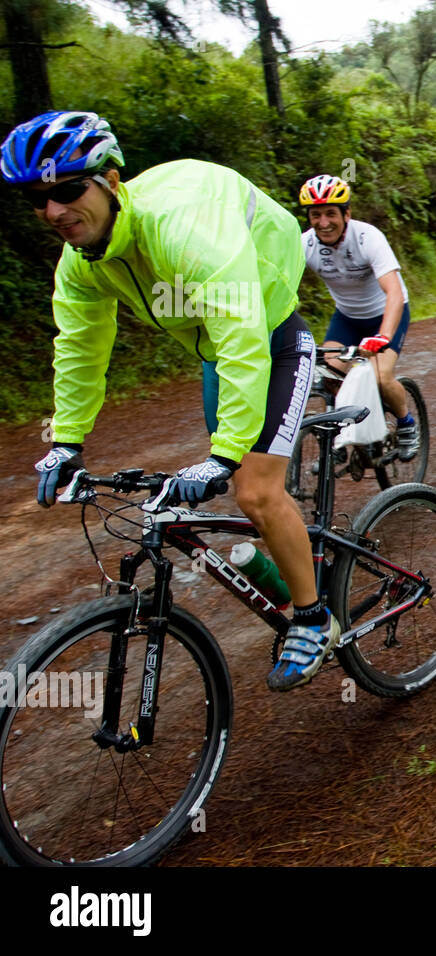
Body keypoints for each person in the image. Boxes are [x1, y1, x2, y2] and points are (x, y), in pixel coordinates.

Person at [2, 110, 339, 691]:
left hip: (271, 331)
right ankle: (298, 563)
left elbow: (240, 333)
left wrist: (225, 454)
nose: (54, 211)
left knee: (254, 486)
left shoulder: (183, 226)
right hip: (217, 345)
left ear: (109, 180)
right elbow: (80, 349)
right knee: (240, 482)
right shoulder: (82, 264)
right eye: (37, 198)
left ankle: (314, 618)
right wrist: (65, 442)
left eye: (67, 190)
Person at [298, 174, 417, 459]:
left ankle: (405, 423)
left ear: (346, 214)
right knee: (329, 373)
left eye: (331, 213)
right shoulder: (305, 245)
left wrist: (383, 336)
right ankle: (345, 432)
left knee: (380, 377)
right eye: (316, 215)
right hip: (347, 317)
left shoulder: (368, 237)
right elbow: (281, 289)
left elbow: (394, 293)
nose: (323, 222)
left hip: (385, 314)